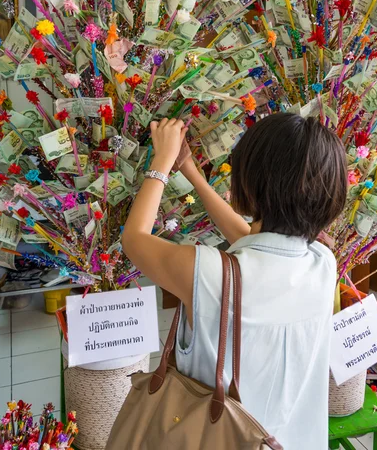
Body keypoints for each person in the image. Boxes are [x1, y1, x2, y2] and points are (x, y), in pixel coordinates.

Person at [122, 113, 348, 450]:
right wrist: (192, 173)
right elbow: (250, 238)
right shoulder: (323, 263)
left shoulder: (205, 272)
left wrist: (162, 162)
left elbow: (134, 239)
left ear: (248, 182)